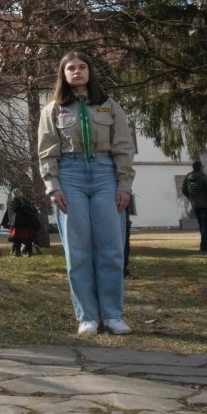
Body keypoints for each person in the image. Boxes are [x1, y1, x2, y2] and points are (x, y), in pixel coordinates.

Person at [36, 51, 136, 336]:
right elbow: (46, 152)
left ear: (90, 72)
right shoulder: (53, 109)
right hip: (70, 176)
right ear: (63, 74)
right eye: (71, 68)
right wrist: (53, 186)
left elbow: (124, 147)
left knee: (111, 249)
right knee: (78, 251)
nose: (77, 71)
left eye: (82, 67)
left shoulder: (109, 106)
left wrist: (124, 185)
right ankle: (88, 317)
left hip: (106, 175)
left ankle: (113, 315)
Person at [181, 161, 207, 252]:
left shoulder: (188, 177)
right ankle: (204, 245)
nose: (204, 167)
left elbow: (184, 190)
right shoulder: (204, 178)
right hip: (205, 205)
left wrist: (191, 198)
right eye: (203, 166)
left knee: (202, 225)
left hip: (195, 205)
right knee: (205, 226)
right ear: (200, 167)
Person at [1, 188, 43, 257]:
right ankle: (18, 252)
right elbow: (18, 210)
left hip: (24, 223)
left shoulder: (18, 201)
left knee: (26, 239)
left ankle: (26, 252)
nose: (20, 194)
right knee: (20, 239)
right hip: (21, 223)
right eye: (18, 193)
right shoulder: (15, 201)